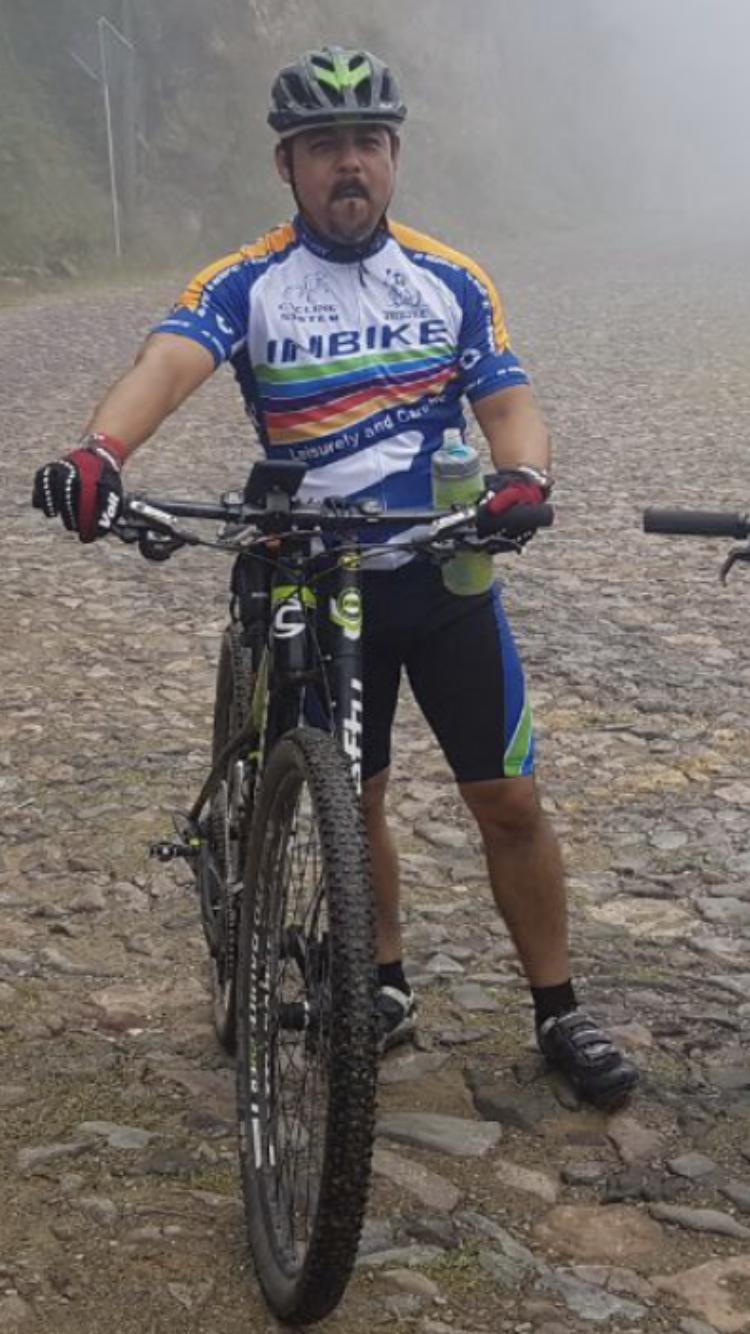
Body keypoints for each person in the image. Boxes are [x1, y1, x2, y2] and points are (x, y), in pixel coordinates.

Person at [32, 45, 638, 1110]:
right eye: (325, 147)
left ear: (395, 156)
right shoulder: (248, 280)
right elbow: (167, 365)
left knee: (509, 798)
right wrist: (100, 455)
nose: (347, 164)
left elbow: (506, 399)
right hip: (310, 571)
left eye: (366, 143)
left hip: (440, 571)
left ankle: (558, 1006)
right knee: (351, 805)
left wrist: (524, 476)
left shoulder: (449, 277)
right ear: (288, 166)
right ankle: (384, 984)